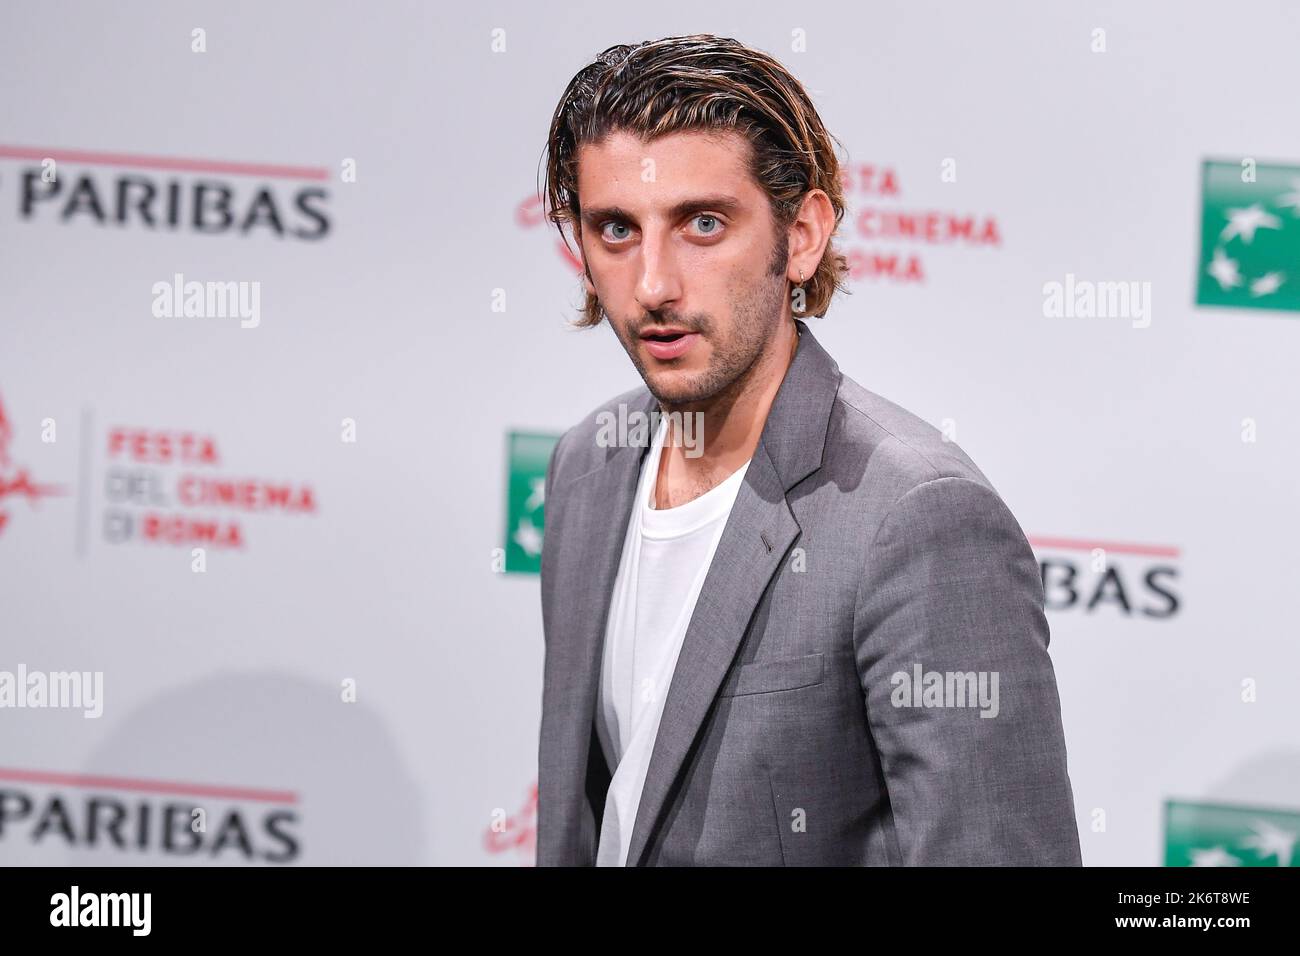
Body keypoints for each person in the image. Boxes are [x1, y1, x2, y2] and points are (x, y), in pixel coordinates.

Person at [536, 34, 1081, 866]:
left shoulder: (916, 517)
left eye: (703, 224)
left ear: (801, 235)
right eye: (616, 229)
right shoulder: (586, 468)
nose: (652, 284)